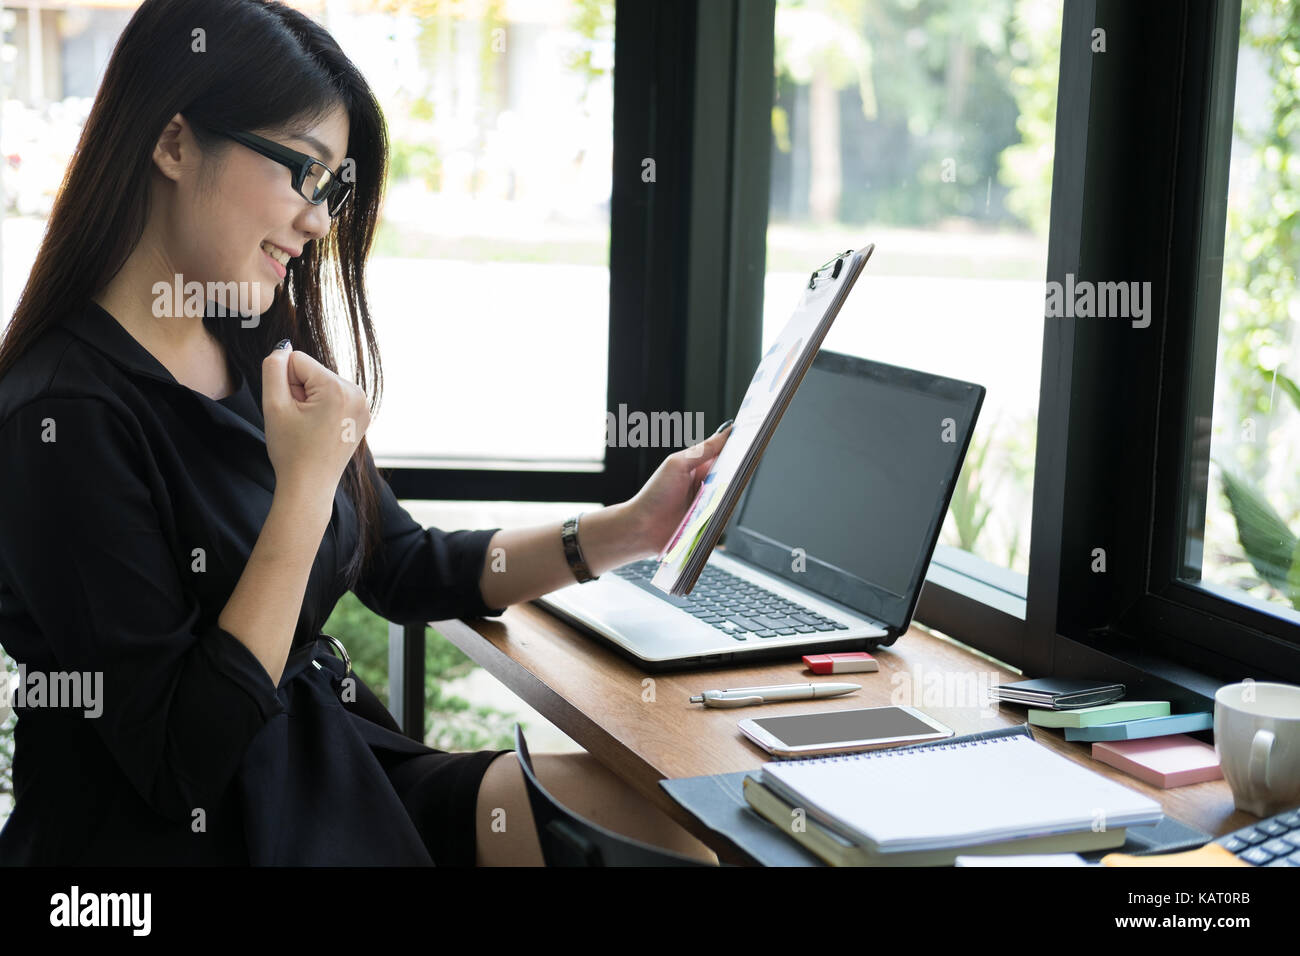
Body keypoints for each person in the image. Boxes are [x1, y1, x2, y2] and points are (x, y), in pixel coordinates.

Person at [0, 0, 731, 866]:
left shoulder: (252, 341)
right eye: (302, 171)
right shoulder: (61, 417)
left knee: (664, 823)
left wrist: (632, 528)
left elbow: (402, 564)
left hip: (331, 774)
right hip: (177, 841)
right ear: (172, 143)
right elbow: (178, 761)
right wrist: (304, 488)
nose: (319, 220)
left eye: (333, 187)